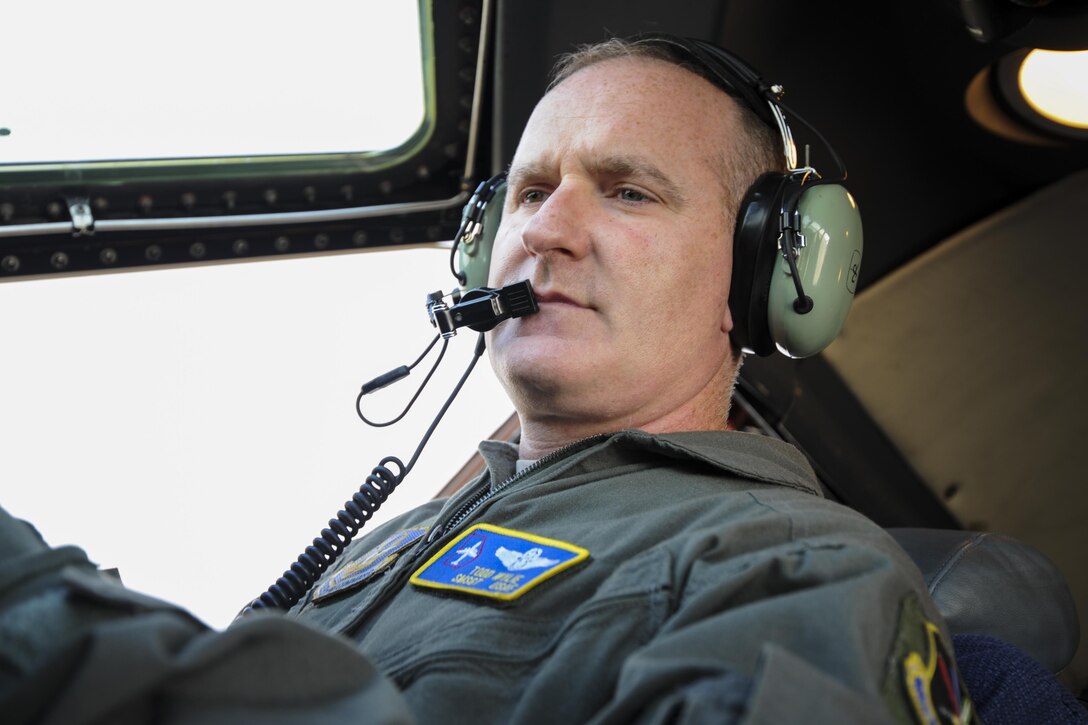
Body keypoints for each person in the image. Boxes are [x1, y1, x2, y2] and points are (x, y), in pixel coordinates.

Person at [1, 34, 973, 724]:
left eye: (628, 191)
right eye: (530, 190)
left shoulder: (790, 565)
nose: (544, 229)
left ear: (770, 272)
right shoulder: (396, 540)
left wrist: (45, 624)